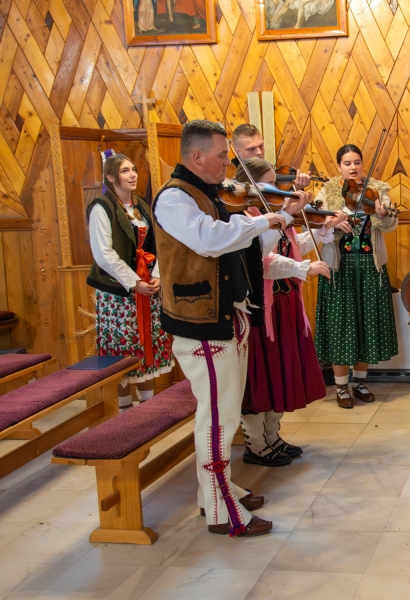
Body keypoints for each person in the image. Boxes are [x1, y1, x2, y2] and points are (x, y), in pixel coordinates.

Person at [152, 119, 289, 538]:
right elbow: (210, 240)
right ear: (196, 157)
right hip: (201, 325)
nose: (227, 165)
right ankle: (220, 509)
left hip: (223, 317)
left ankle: (213, 490)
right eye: (220, 156)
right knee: (218, 420)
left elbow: (236, 243)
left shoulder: (208, 194)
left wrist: (274, 219)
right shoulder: (174, 198)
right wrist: (265, 221)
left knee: (221, 414)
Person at [231, 157, 346, 466]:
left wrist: (323, 230)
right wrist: (302, 268)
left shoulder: (274, 213)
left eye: (277, 183)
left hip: (285, 304)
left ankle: (272, 436)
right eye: (270, 184)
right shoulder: (245, 217)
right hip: (261, 308)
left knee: (279, 372)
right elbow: (260, 261)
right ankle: (256, 444)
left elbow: (291, 245)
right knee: (261, 376)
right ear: (250, 185)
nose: (278, 190)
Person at [314, 144, 398, 409]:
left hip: (370, 266)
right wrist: (332, 223)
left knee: (366, 323)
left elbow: (390, 224)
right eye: (347, 163)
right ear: (339, 166)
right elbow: (315, 223)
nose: (353, 167)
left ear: (363, 164)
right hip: (339, 267)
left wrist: (383, 215)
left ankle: (360, 382)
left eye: (357, 162)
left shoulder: (378, 190)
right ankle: (341, 387)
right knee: (341, 325)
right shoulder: (328, 190)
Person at [87, 154, 173, 411]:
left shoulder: (143, 206)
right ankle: (124, 408)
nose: (133, 174)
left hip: (148, 286)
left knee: (146, 344)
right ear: (111, 177)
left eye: (134, 169)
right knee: (123, 348)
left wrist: (157, 276)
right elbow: (103, 253)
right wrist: (134, 282)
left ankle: (147, 408)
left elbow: (160, 242)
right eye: (125, 171)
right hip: (119, 291)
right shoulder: (102, 207)